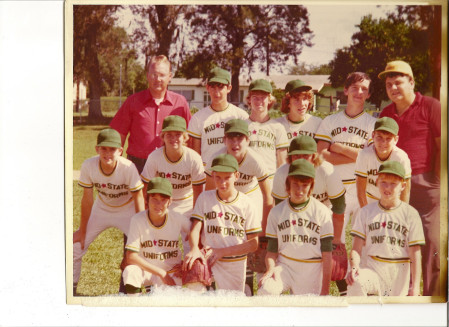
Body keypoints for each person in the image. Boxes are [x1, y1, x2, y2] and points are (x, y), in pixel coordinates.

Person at [378, 60, 441, 296]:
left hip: (427, 184)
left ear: (412, 82)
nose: (393, 88)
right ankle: (400, 297)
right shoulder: (386, 113)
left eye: (398, 82)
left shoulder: (431, 106)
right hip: (395, 187)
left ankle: (433, 299)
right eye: (388, 84)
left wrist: (435, 182)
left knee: (431, 243)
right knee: (397, 242)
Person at [315, 72, 376, 295]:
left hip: (361, 187)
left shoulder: (372, 123)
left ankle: (365, 284)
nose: (359, 92)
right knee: (335, 240)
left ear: (368, 94)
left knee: (364, 238)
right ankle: (341, 285)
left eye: (364, 89)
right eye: (355, 87)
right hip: (335, 187)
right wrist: (356, 153)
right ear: (346, 89)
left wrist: (338, 147)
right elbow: (321, 154)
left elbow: (370, 156)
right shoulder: (330, 121)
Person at [204, 119, 273, 295]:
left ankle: (248, 283)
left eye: (240, 138)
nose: (235, 143)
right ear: (224, 140)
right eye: (231, 138)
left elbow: (268, 196)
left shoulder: (255, 159)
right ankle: (211, 279)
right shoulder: (216, 158)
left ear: (248, 140)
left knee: (248, 235)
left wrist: (264, 231)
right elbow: (209, 196)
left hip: (249, 194)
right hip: (224, 192)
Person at [73, 128, 145, 295]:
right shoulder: (89, 165)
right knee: (76, 246)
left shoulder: (128, 167)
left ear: (120, 151)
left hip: (126, 209)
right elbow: (87, 200)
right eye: (103, 148)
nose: (107, 153)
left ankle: (140, 290)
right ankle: (72, 289)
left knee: (144, 249)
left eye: (112, 149)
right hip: (102, 208)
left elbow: (138, 198)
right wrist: (82, 230)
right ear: (97, 149)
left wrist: (141, 231)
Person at [183, 154, 261, 293]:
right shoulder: (205, 198)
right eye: (218, 177)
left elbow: (254, 243)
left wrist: (222, 252)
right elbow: (195, 228)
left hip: (234, 262)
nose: (222, 182)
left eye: (227, 178)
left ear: (236, 175)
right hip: (209, 260)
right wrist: (194, 248)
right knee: (197, 297)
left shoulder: (247, 204)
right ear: (212, 175)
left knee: (232, 307)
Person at [347, 161, 425, 296]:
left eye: (393, 184)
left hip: (398, 273)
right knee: (356, 281)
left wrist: (416, 286)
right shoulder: (366, 212)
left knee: (395, 314)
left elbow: (415, 253)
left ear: (403, 186)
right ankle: (359, 317)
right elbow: (356, 248)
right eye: (383, 182)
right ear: (377, 182)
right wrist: (354, 267)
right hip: (374, 269)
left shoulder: (410, 214)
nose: (387, 187)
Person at [258, 159, 334, 295]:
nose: (299, 190)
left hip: (312, 268)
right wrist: (270, 269)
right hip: (285, 266)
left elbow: (327, 254)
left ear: (311, 186)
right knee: (266, 290)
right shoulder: (276, 212)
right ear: (287, 185)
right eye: (295, 184)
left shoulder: (322, 212)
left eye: (305, 185)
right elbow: (271, 251)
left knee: (307, 312)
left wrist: (325, 289)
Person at [110, 55, 191, 173]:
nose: (157, 79)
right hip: (137, 165)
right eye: (154, 74)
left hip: (170, 165)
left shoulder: (180, 102)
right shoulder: (133, 101)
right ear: (147, 76)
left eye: (162, 75)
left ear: (170, 77)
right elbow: (118, 136)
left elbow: (190, 137)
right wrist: (116, 165)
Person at [140, 115, 205, 255]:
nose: (173, 138)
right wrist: (147, 215)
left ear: (185, 137)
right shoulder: (155, 157)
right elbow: (145, 189)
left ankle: (193, 275)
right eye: (169, 134)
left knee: (192, 244)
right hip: (162, 204)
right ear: (162, 137)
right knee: (160, 246)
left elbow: (198, 192)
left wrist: (196, 221)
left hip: (187, 203)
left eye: (178, 134)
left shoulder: (193, 158)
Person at [272, 135, 346, 251]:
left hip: (324, 215)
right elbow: (280, 210)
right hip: (294, 215)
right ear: (290, 157)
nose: (301, 159)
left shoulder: (327, 170)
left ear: (314, 156)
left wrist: (336, 240)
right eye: (297, 155)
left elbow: (339, 207)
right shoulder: (282, 172)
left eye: (305, 155)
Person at [122, 177, 184, 295]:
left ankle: (154, 291)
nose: (158, 204)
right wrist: (161, 273)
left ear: (170, 201)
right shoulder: (137, 219)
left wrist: (187, 260)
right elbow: (131, 257)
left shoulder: (177, 218)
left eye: (163, 200)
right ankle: (135, 306)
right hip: (148, 271)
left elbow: (195, 232)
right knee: (131, 271)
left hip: (171, 272)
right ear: (147, 199)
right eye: (154, 199)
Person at [187, 67, 249, 166]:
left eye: (221, 87)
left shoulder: (241, 116)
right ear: (207, 88)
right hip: (208, 173)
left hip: (232, 172)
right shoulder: (198, 118)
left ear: (229, 88)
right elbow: (195, 154)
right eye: (213, 87)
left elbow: (246, 150)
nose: (216, 92)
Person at [355, 117, 411, 207]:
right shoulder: (364, 155)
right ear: (373, 136)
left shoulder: (401, 157)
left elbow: (405, 191)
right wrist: (365, 211)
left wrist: (402, 213)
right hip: (371, 199)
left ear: (396, 139)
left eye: (388, 138)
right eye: (379, 137)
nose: (383, 142)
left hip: (393, 201)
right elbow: (360, 190)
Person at [245, 79, 289, 184]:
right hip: (247, 181)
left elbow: (282, 161)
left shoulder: (277, 127)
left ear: (269, 99)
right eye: (255, 97)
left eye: (263, 97)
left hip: (270, 180)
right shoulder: (242, 125)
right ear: (249, 99)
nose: (259, 101)